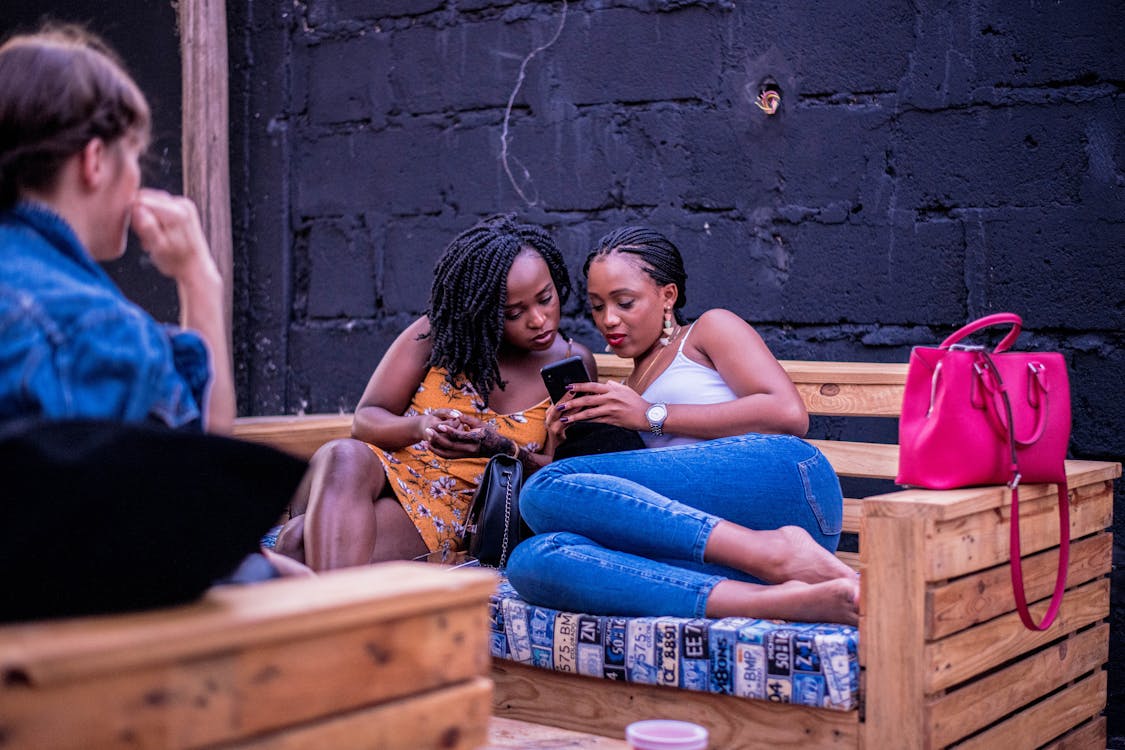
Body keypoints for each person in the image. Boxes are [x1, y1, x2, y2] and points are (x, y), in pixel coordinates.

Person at [506, 226, 859, 625]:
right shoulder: (626, 389)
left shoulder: (707, 331)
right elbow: (625, 499)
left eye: (624, 302)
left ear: (667, 296)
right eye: (597, 306)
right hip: (714, 542)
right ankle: (773, 601)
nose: (609, 320)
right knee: (536, 559)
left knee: (542, 491)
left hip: (783, 484)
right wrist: (558, 444)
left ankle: (777, 551)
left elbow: (788, 414)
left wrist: (648, 414)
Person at [271, 215, 595, 572]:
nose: (539, 319)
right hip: (383, 470)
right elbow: (365, 420)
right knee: (343, 454)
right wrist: (422, 426)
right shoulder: (438, 335)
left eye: (546, 299)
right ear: (482, 312)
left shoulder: (570, 364)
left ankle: (327, 616)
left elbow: (563, 479)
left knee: (297, 541)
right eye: (513, 313)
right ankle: (345, 617)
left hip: (451, 509)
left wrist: (497, 446)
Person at [0, 25, 234, 433]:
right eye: (134, 155)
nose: (137, 178)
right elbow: (202, 475)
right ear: (94, 161)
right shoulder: (102, 334)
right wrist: (198, 277)